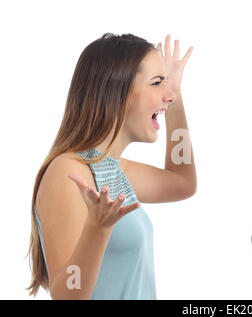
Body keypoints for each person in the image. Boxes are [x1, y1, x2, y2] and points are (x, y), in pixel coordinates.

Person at [26, 33, 196, 299]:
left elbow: (183, 182)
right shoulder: (68, 173)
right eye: (157, 83)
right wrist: (98, 229)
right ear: (118, 91)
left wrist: (175, 92)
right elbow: (66, 295)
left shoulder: (114, 171)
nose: (168, 95)